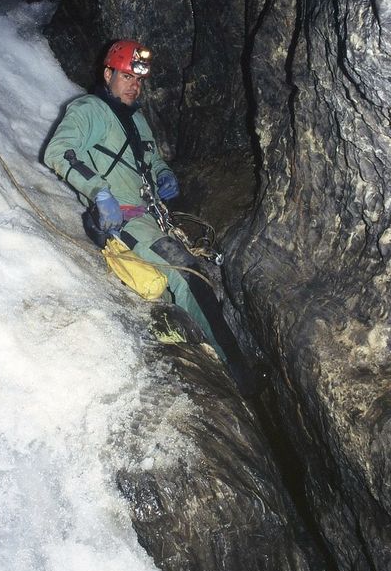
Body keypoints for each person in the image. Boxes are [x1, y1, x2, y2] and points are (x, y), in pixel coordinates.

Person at [44, 39, 260, 395]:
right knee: (189, 274)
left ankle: (209, 349)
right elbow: (59, 151)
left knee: (202, 276)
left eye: (139, 80)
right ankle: (243, 381)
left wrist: (163, 173)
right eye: (126, 76)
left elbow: (151, 159)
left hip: (153, 215)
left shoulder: (137, 119)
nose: (134, 85)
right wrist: (99, 192)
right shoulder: (89, 109)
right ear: (108, 75)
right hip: (124, 218)